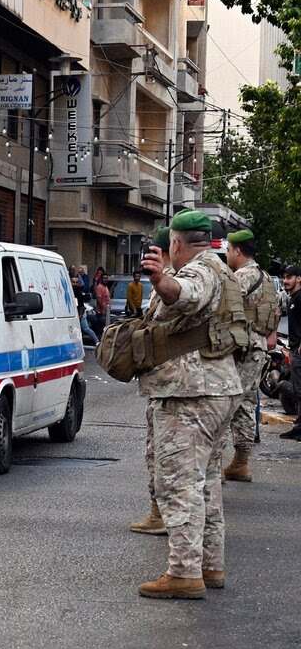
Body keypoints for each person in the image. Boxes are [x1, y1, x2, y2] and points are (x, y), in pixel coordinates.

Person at [137, 210, 244, 599]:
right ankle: (210, 565)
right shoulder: (223, 270)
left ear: (176, 244)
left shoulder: (197, 271)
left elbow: (185, 295)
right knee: (207, 484)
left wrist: (160, 279)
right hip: (220, 389)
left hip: (191, 394)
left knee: (180, 483)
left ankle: (184, 572)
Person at [130, 227, 173, 536]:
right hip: (164, 380)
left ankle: (162, 514)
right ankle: (158, 511)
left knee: (160, 452)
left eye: (153, 253)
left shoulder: (172, 283)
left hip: (171, 383)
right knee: (155, 450)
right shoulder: (169, 282)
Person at [223, 229, 273, 479]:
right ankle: (241, 462)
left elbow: (223, 309)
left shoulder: (240, 277)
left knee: (224, 403)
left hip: (240, 349)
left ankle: (212, 464)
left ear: (237, 251)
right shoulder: (265, 276)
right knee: (245, 404)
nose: (226, 254)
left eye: (228, 250)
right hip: (258, 347)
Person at [280, 264, 301, 440]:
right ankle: (299, 426)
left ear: (298, 278)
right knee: (298, 388)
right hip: (294, 347)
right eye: (284, 277)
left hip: (299, 349)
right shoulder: (291, 298)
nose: (285, 281)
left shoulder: (300, 297)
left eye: (289, 277)